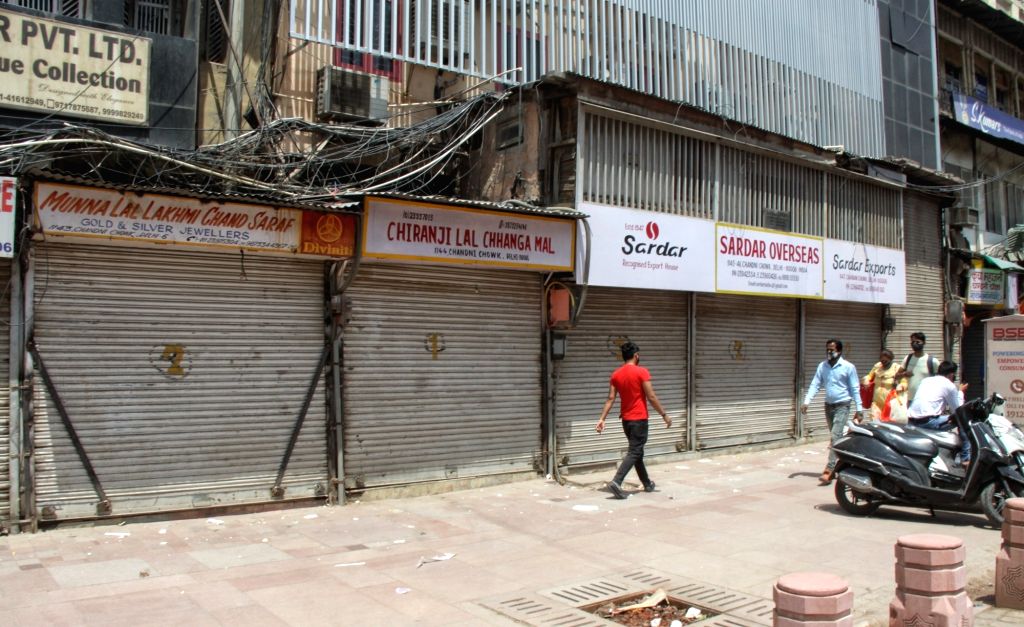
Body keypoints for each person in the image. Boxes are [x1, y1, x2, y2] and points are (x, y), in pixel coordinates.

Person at [595, 341, 672, 499]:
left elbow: (610, 398)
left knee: (637, 452)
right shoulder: (641, 372)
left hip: (626, 421)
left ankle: (647, 484)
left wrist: (602, 418)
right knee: (635, 451)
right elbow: (651, 396)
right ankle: (617, 481)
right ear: (636, 355)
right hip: (639, 419)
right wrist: (664, 415)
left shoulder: (616, 374)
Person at [801, 338, 861, 485]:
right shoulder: (823, 366)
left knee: (835, 437)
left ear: (839, 351)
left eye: (832, 349)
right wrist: (806, 401)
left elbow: (854, 388)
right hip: (828, 406)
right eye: (827, 349)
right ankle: (844, 462)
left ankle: (829, 469)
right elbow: (815, 384)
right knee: (837, 438)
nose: (829, 352)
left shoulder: (848, 367)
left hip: (843, 405)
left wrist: (859, 408)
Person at [907, 361, 970, 467]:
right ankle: (966, 458)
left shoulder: (926, 380)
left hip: (911, 421)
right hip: (928, 422)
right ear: (951, 374)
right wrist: (961, 392)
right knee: (963, 421)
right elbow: (957, 410)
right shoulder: (949, 385)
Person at [897, 332, 940, 404]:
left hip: (928, 400)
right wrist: (904, 374)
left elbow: (941, 380)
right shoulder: (907, 359)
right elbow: (896, 376)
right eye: (912, 342)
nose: (914, 344)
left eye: (917, 342)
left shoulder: (932, 361)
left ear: (924, 343)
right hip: (911, 400)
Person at [864, 349, 901, 420]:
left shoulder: (896, 368)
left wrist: (900, 386)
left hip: (890, 403)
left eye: (886, 361)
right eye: (882, 360)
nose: (883, 362)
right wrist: (866, 380)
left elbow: (904, 382)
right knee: (875, 423)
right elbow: (869, 376)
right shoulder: (877, 366)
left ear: (891, 359)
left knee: (888, 424)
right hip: (876, 402)